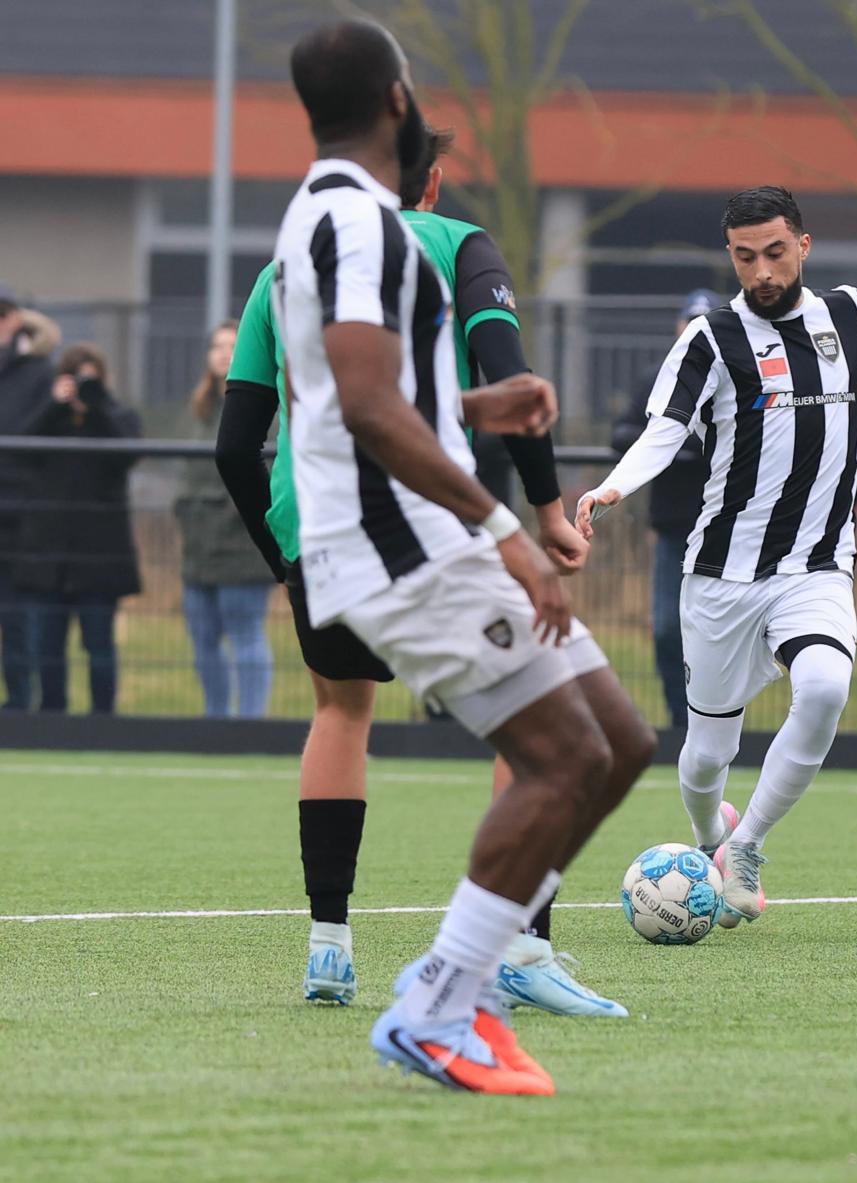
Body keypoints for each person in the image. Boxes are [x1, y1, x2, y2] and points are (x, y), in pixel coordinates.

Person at [273, 19, 649, 1093]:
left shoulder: (343, 220)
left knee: (617, 743)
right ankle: (442, 1001)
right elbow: (361, 409)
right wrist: (509, 534)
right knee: (566, 757)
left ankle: (459, 990)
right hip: (402, 551)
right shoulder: (358, 227)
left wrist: (485, 402)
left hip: (416, 532)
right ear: (398, 100)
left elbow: (360, 403)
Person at [577, 185, 857, 926]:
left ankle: (747, 843)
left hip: (815, 568)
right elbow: (664, 428)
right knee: (702, 758)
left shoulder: (849, 314)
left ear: (804, 246)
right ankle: (709, 839)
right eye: (745, 256)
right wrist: (610, 488)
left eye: (775, 253)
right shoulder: (709, 338)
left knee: (821, 689)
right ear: (732, 255)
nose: (761, 270)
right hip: (721, 576)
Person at [610, 288, 719, 730]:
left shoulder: (737, 378)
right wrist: (672, 449)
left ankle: (715, 718)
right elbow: (624, 432)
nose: (693, 330)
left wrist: (692, 447)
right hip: (674, 526)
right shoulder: (657, 377)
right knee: (667, 630)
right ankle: (680, 718)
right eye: (688, 321)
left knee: (716, 634)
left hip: (726, 527)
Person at [16, 343, 142, 714]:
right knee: (47, 648)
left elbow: (127, 454)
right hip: (46, 557)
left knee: (99, 646)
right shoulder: (48, 419)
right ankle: (52, 718)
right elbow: (20, 451)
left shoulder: (119, 417)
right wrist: (54, 404)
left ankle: (104, 720)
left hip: (99, 560)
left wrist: (98, 405)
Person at [175, 321, 276, 718]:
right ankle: (216, 721)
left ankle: (250, 724)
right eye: (216, 345)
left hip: (241, 545)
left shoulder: (266, 406)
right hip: (198, 547)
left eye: (232, 345)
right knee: (203, 641)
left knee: (246, 634)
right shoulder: (198, 408)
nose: (222, 353)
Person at [0, 287, 57, 710]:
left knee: (17, 616)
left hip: (19, 514)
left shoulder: (39, 373)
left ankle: (20, 701)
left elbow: (30, 437)